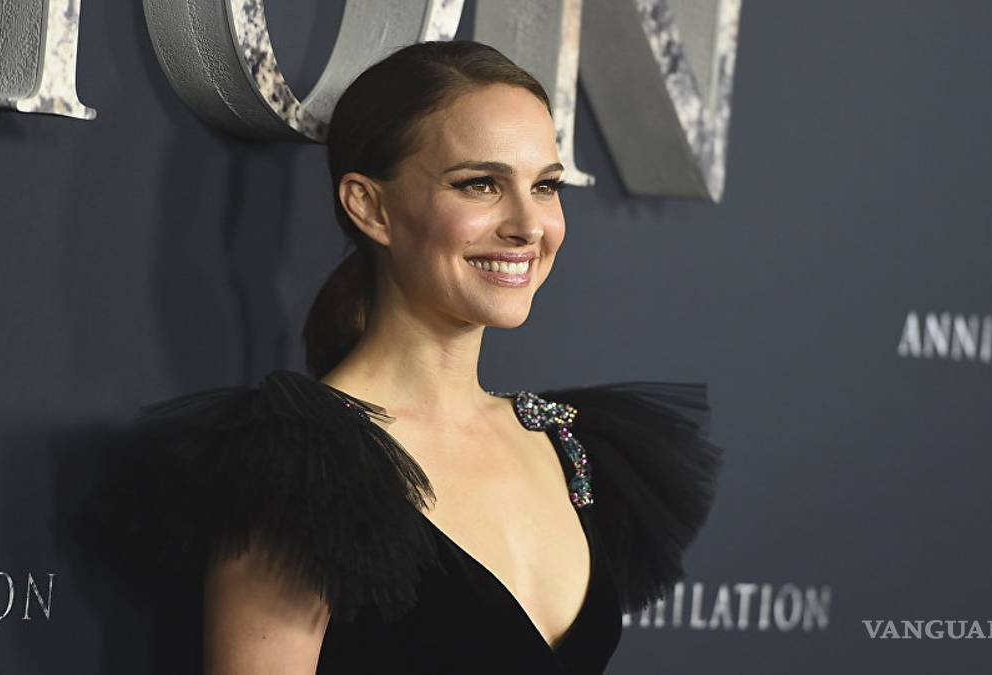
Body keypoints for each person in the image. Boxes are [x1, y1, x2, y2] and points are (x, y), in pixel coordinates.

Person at [106, 40, 725, 674]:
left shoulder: (570, 446)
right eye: (480, 185)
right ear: (369, 207)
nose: (528, 225)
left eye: (545, 185)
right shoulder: (297, 471)